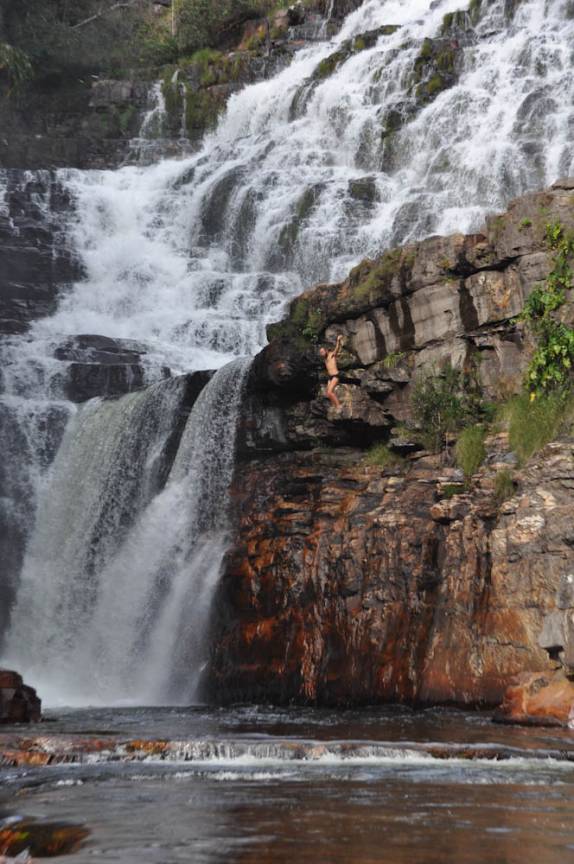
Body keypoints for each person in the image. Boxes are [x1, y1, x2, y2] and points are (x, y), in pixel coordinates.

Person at [319, 334, 344, 411]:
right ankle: (334, 405)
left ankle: (339, 406)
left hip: (336, 376)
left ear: (326, 350)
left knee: (330, 392)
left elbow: (336, 349)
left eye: (323, 351)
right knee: (328, 393)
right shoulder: (325, 360)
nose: (322, 353)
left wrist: (338, 340)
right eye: (321, 352)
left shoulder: (331, 355)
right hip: (330, 377)